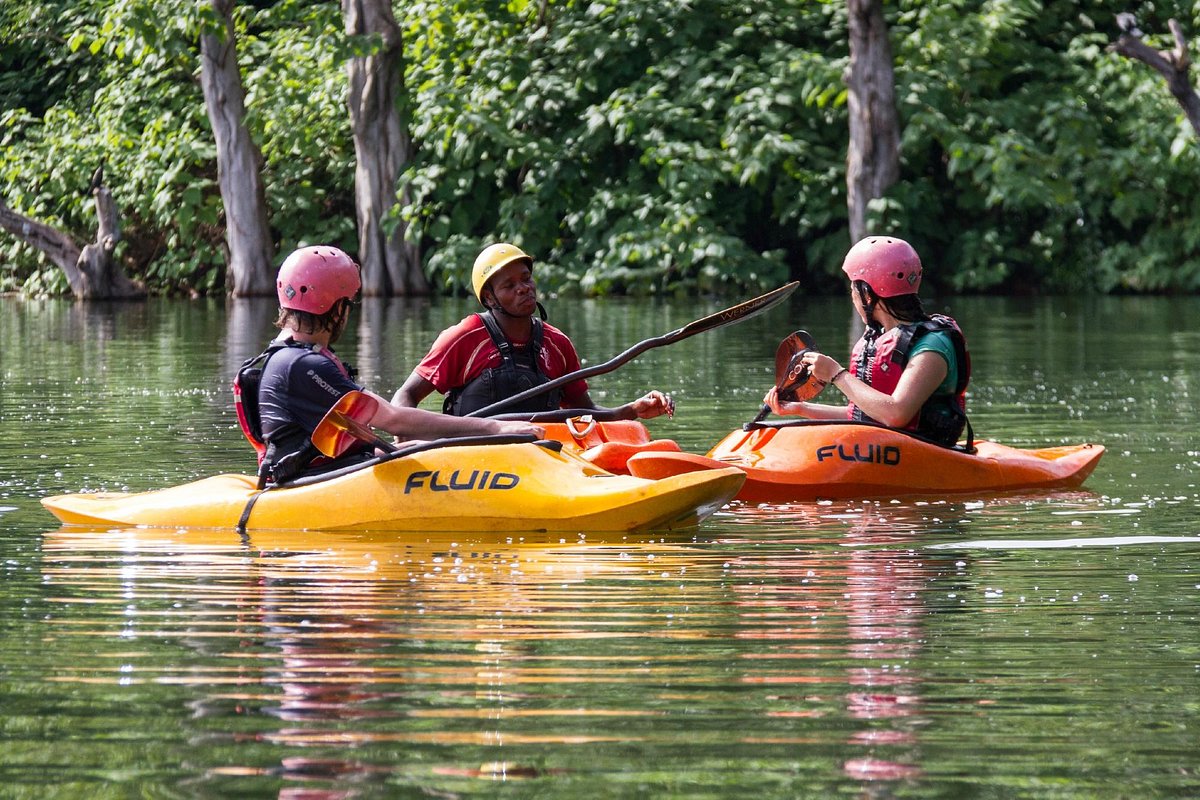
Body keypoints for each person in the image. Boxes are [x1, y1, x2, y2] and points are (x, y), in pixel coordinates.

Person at [234, 245, 541, 485]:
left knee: (425, 446)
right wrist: (495, 428)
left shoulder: (289, 356)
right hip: (313, 480)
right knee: (434, 451)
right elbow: (391, 418)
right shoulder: (303, 364)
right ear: (336, 305)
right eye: (349, 304)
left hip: (325, 468)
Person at [392, 242, 675, 420]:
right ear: (489, 298)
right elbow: (404, 398)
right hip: (473, 458)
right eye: (509, 285)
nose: (523, 288)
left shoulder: (556, 343)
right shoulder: (464, 337)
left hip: (540, 460)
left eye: (526, 279)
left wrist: (630, 411)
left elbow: (585, 413)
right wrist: (406, 437)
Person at [763, 235, 971, 447]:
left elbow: (895, 414)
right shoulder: (879, 338)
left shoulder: (932, 347)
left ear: (867, 295)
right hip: (886, 453)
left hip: (928, 456)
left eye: (853, 288)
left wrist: (836, 374)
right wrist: (802, 409)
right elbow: (864, 415)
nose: (852, 296)